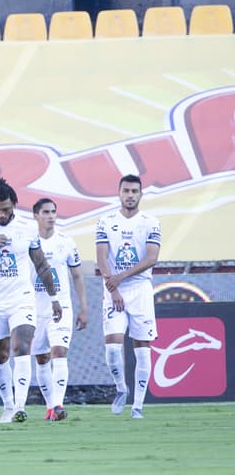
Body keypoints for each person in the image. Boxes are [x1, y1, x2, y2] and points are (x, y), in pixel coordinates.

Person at [0, 179, 61, 424]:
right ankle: (7, 405)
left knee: (22, 346)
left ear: (14, 204)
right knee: (0, 356)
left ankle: (19, 407)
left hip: (22, 299)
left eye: (6, 209)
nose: (1, 214)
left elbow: (41, 264)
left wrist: (54, 298)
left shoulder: (27, 229)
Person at [95, 174, 160, 418]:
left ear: (141, 194)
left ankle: (138, 406)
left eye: (134, 191)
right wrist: (114, 289)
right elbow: (102, 257)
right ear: (119, 193)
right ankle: (121, 388)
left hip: (140, 288)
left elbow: (152, 258)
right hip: (112, 289)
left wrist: (120, 279)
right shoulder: (106, 221)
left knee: (142, 348)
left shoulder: (151, 222)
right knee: (112, 347)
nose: (130, 195)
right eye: (126, 191)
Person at [32, 198, 87, 422]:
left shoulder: (66, 242)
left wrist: (83, 307)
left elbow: (77, 275)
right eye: (45, 212)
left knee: (59, 352)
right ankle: (49, 406)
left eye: (53, 211)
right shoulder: (29, 242)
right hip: (35, 309)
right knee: (42, 358)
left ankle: (58, 404)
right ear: (36, 215)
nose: (51, 216)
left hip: (61, 308)